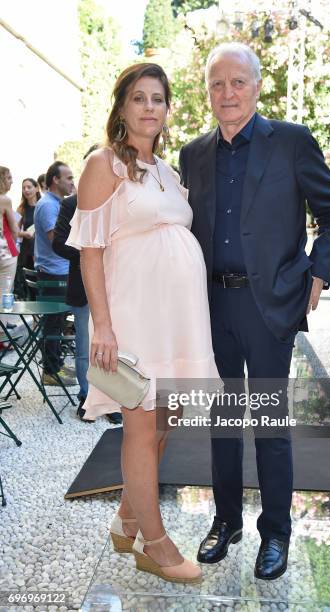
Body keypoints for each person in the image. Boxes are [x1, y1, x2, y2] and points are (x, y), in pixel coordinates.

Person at [179, 42, 330, 581]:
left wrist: (318, 274)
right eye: (216, 84)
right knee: (223, 421)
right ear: (206, 91)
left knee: (271, 425)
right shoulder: (192, 154)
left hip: (271, 306)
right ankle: (226, 520)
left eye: (237, 83)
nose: (226, 94)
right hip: (212, 305)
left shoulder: (293, 143)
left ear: (257, 86)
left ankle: (275, 530)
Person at [67, 63, 220, 584]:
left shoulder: (166, 171)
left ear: (167, 108)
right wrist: (103, 327)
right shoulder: (102, 164)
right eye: (139, 98)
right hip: (132, 317)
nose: (150, 107)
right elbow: (91, 255)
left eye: (158, 98)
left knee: (167, 418)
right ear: (122, 107)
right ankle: (153, 544)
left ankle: (127, 519)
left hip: (178, 320)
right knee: (140, 424)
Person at [52, 145, 122, 425]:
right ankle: (85, 397)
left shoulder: (122, 199)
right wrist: (91, 252)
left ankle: (114, 401)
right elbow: (58, 242)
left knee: (117, 346)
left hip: (118, 286)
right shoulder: (71, 203)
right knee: (85, 347)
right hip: (83, 288)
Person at [34, 161, 77, 386]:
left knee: (58, 323)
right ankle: (50, 371)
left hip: (58, 270)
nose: (72, 181)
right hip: (54, 273)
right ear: (55, 180)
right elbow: (55, 241)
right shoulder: (49, 205)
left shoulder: (55, 203)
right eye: (68, 178)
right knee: (53, 324)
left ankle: (56, 366)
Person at [14, 178, 41, 299]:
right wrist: (25, 234)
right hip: (27, 252)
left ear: (36, 188)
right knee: (31, 285)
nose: (26, 190)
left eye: (29, 187)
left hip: (41, 251)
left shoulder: (43, 205)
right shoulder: (21, 209)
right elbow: (13, 231)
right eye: (24, 187)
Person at [0, 166, 19, 322]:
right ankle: (3, 334)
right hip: (4, 253)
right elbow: (14, 229)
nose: (12, 181)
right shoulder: (4, 200)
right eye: (8, 178)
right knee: (5, 292)